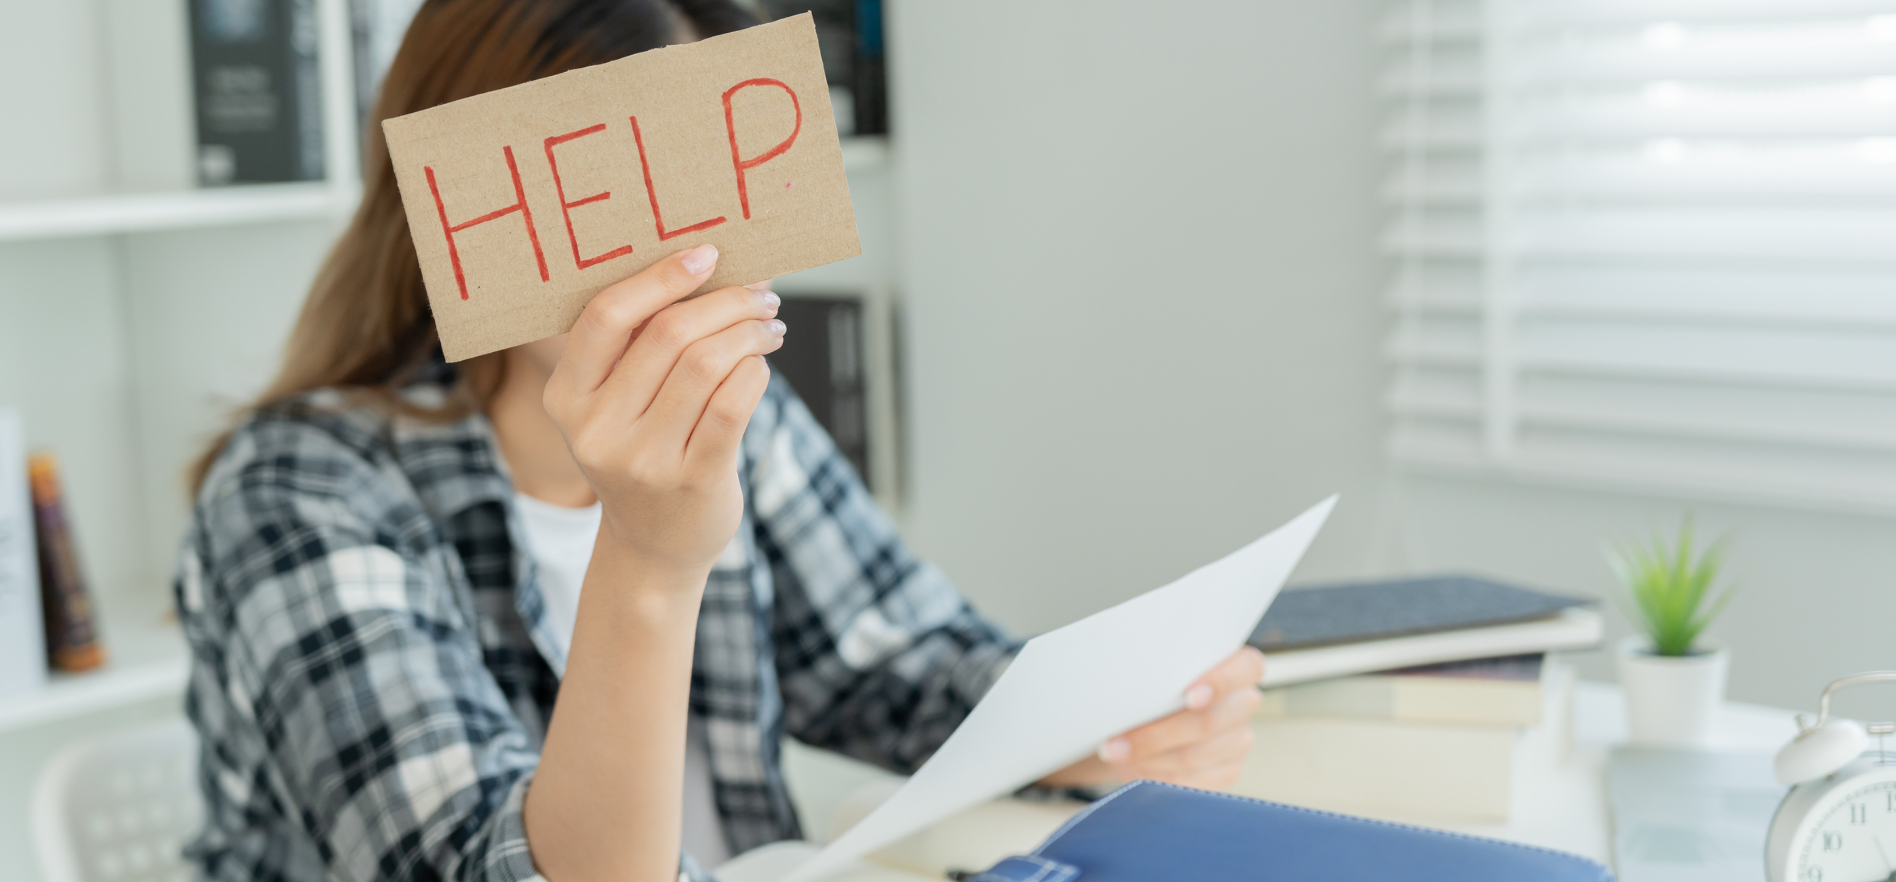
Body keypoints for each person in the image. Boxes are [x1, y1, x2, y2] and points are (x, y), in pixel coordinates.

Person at [173, 1, 1264, 881]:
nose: (659, 259)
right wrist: (651, 552)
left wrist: (1097, 726)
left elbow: (901, 663)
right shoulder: (297, 491)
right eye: (601, 201)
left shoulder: (741, 410)